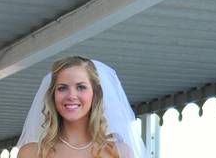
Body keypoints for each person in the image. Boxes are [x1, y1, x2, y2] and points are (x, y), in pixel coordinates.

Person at [17, 56, 145, 158]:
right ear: (53, 95)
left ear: (95, 94)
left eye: (80, 87)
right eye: (62, 88)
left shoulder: (118, 152)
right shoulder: (30, 153)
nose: (71, 95)